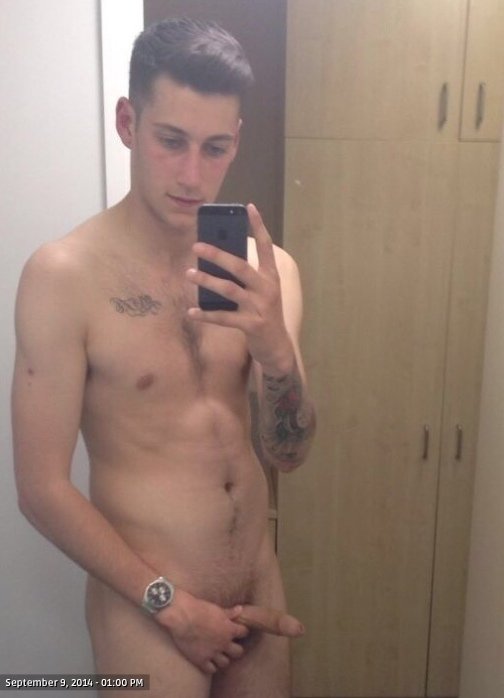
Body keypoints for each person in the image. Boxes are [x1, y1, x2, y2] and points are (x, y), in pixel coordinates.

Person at [12, 17, 316, 698]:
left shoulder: (272, 276)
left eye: (214, 148)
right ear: (128, 122)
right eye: (171, 141)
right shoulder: (64, 277)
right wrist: (172, 607)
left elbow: (289, 452)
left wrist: (274, 351)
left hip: (257, 593)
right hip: (148, 613)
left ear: (236, 140)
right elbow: (40, 489)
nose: (191, 175)